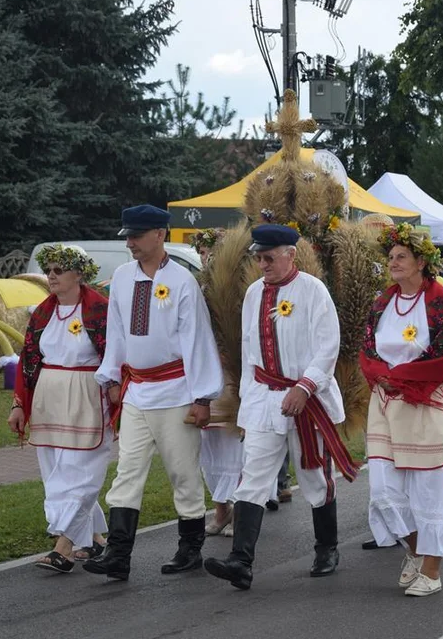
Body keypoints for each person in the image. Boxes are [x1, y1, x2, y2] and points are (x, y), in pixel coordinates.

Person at [204, 225, 360, 590]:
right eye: (258, 258)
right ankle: (240, 561)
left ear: (290, 253)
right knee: (253, 475)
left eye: (269, 257)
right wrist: (248, 405)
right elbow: (249, 351)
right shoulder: (254, 294)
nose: (262, 264)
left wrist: (305, 388)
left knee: (314, 476)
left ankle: (327, 548)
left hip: (308, 400)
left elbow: (327, 346)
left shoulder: (313, 290)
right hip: (264, 398)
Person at [84, 205, 225, 581]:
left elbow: (197, 339)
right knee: (127, 471)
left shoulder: (181, 281)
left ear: (160, 235)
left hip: (177, 392)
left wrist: (203, 397)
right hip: (136, 392)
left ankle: (190, 549)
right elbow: (116, 332)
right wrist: (111, 376)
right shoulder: (123, 277)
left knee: (183, 473)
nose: (129, 243)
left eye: (136, 236)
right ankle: (118, 553)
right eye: (127, 236)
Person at [360, 223, 443, 597]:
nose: (393, 263)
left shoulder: (442, 302)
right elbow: (367, 349)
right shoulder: (383, 302)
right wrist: (381, 374)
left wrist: (404, 375)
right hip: (387, 405)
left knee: (433, 486)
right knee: (385, 488)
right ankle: (416, 551)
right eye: (390, 257)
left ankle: (432, 570)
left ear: (421, 262)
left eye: (401, 257)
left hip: (428, 403)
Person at [9, 245, 109, 573]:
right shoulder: (42, 313)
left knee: (80, 472)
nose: (51, 275)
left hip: (86, 394)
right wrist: (19, 404)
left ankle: (63, 547)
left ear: (78, 273)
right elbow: (28, 360)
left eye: (59, 269)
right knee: (55, 470)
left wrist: (117, 396)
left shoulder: (100, 311)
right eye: (48, 269)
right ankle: (93, 538)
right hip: (48, 397)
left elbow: (116, 357)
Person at [190, 228, 244, 537]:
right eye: (202, 253)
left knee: (232, 440)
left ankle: (237, 508)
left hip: (231, 372)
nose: (205, 258)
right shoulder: (197, 285)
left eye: (211, 252)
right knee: (208, 441)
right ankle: (220, 507)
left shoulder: (238, 287)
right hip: (204, 370)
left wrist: (228, 353)